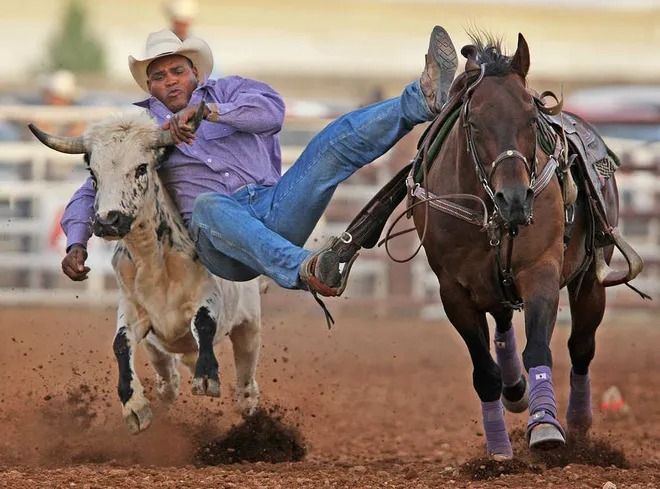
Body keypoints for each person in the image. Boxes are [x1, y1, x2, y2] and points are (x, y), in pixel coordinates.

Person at [60, 27, 457, 301]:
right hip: (216, 241)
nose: (171, 81)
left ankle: (422, 99)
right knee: (208, 205)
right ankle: (309, 268)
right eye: (160, 76)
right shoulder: (142, 133)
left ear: (195, 73)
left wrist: (209, 112)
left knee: (330, 143)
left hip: (273, 206)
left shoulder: (232, 91)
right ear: (150, 88)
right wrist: (77, 241)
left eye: (178, 71)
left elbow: (271, 114)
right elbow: (97, 186)